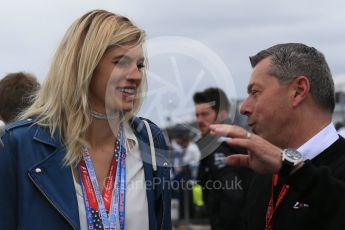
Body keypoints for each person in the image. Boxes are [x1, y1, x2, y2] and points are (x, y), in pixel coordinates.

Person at [0, 10, 171, 230]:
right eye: (121, 62)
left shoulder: (149, 139)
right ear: (84, 66)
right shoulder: (17, 146)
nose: (136, 76)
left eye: (139, 65)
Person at [210, 43, 345, 230]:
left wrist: (291, 167)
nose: (243, 108)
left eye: (255, 92)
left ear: (298, 91)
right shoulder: (263, 175)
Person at [193, 87, 253, 230]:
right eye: (197, 115)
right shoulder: (235, 143)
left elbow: (233, 196)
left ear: (223, 115)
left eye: (205, 114)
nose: (199, 120)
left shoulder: (220, 149)